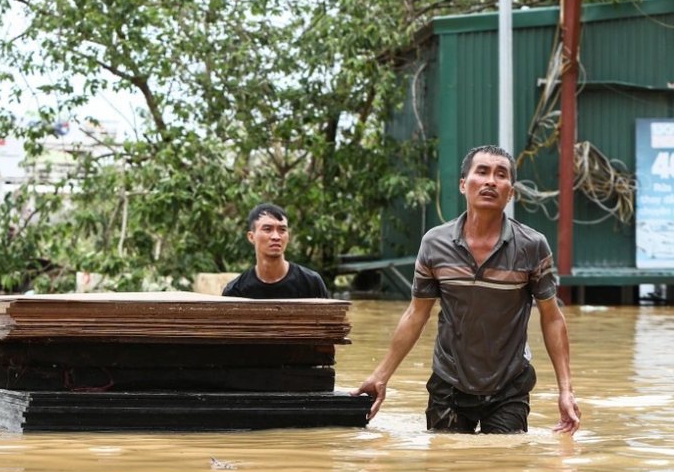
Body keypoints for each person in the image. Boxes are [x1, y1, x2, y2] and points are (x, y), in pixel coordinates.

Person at [352, 145, 580, 434]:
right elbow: (416, 314)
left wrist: (565, 390)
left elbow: (552, 317)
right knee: (448, 470)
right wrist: (381, 376)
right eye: (481, 172)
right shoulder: (435, 244)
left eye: (501, 175)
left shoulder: (532, 247)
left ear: (510, 191)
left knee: (503, 469)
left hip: (509, 385)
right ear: (463, 184)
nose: (490, 181)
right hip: (449, 384)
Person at [222, 203, 331, 299]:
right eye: (267, 229)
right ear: (251, 237)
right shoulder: (236, 291)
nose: (276, 236)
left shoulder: (311, 283)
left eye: (282, 230)